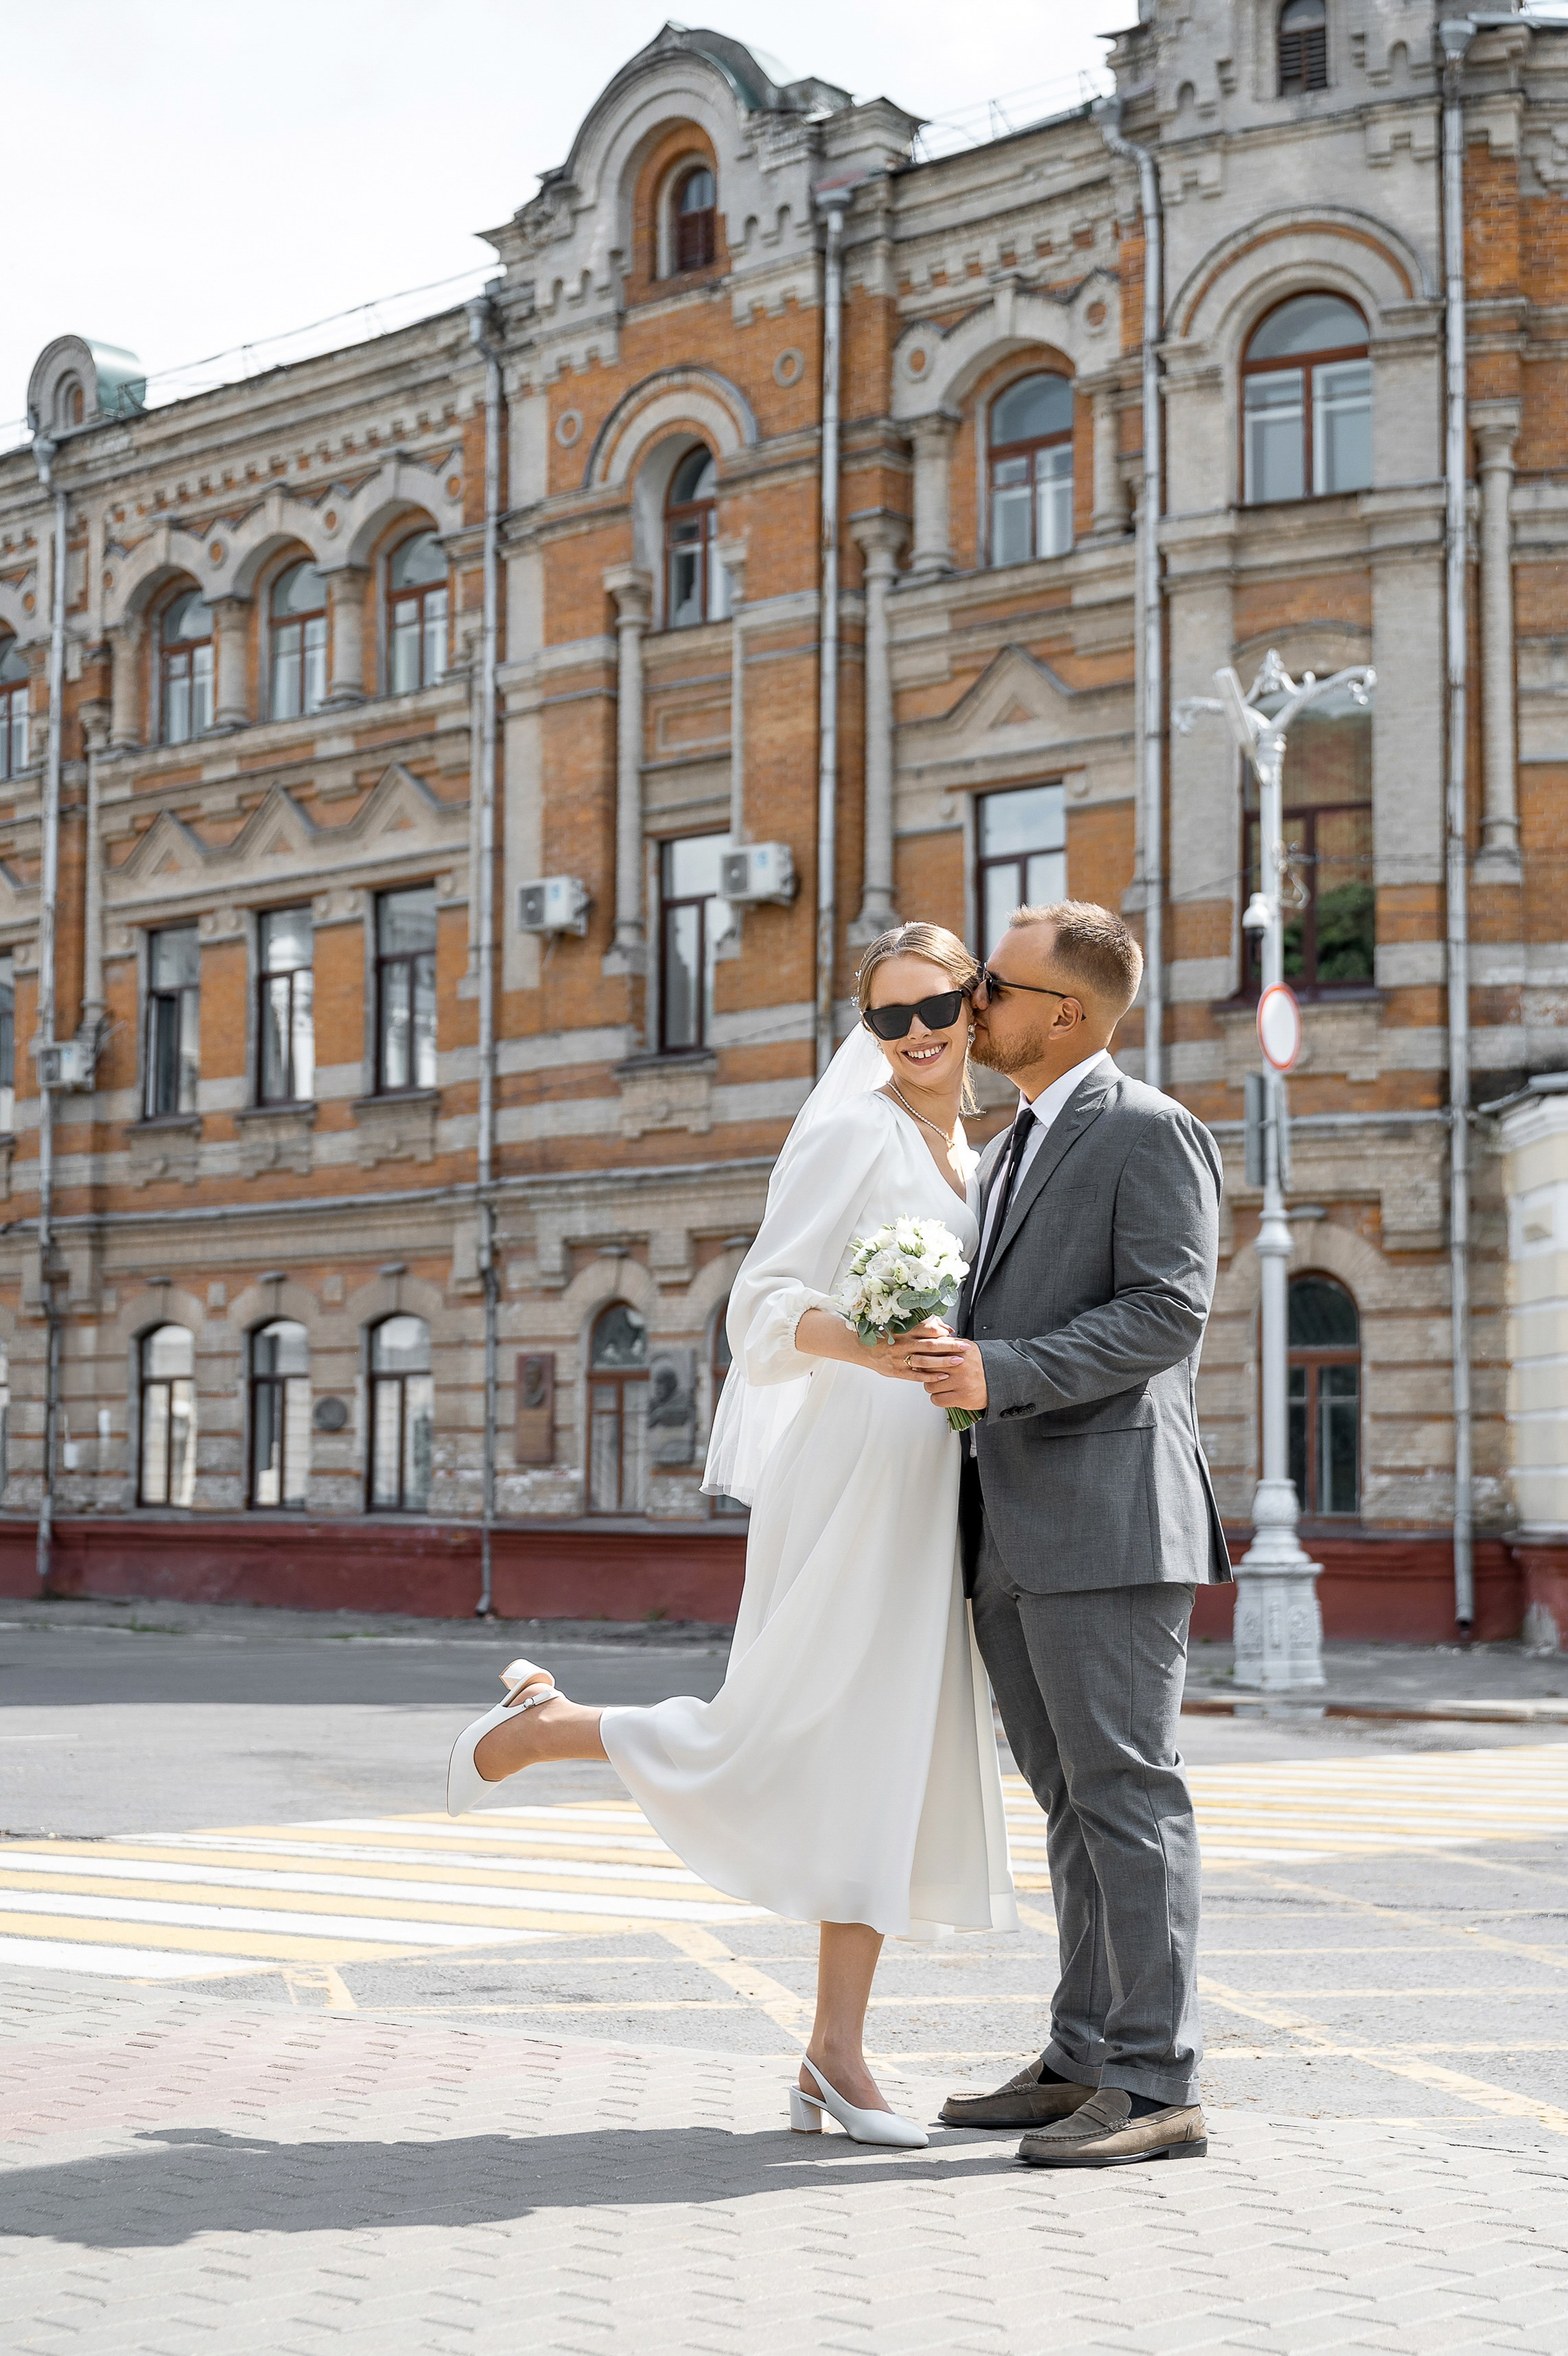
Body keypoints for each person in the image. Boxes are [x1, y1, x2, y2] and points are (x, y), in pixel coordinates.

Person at [446, 922, 1016, 2150]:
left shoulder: (970, 1144)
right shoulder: (857, 1128)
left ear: (977, 1004)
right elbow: (758, 1310)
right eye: (888, 1018)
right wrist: (881, 1347)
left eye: (937, 1008)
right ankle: (549, 1729)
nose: (916, 1035)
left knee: (880, 1754)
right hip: (861, 1463)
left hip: (933, 1471)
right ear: (866, 1033)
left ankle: (832, 2051)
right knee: (791, 1726)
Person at [907, 900, 1230, 2169]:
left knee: (1127, 1798)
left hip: (1108, 1517)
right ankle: (1083, 2051)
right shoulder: (1011, 1143)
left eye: (991, 982)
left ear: (1065, 1012)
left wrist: (1006, 1368)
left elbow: (1169, 1312)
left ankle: (1156, 2083)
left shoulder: (1148, 1128)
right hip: (1013, 1522)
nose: (967, 1002)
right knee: (1068, 1801)